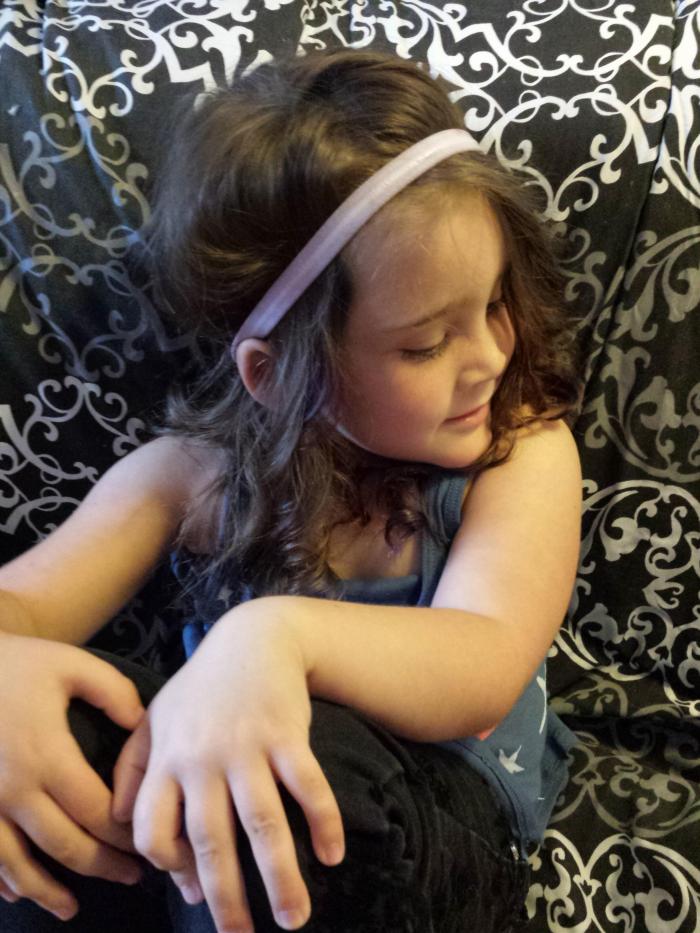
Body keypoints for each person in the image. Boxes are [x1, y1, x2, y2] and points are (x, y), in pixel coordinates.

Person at [0, 48, 582, 933]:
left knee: (278, 788)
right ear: (274, 373)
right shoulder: (193, 474)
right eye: (427, 344)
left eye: (496, 302)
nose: (492, 357)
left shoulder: (520, 446)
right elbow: (24, 604)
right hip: (219, 809)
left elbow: (484, 660)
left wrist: (272, 636)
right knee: (53, 739)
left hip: (437, 818)